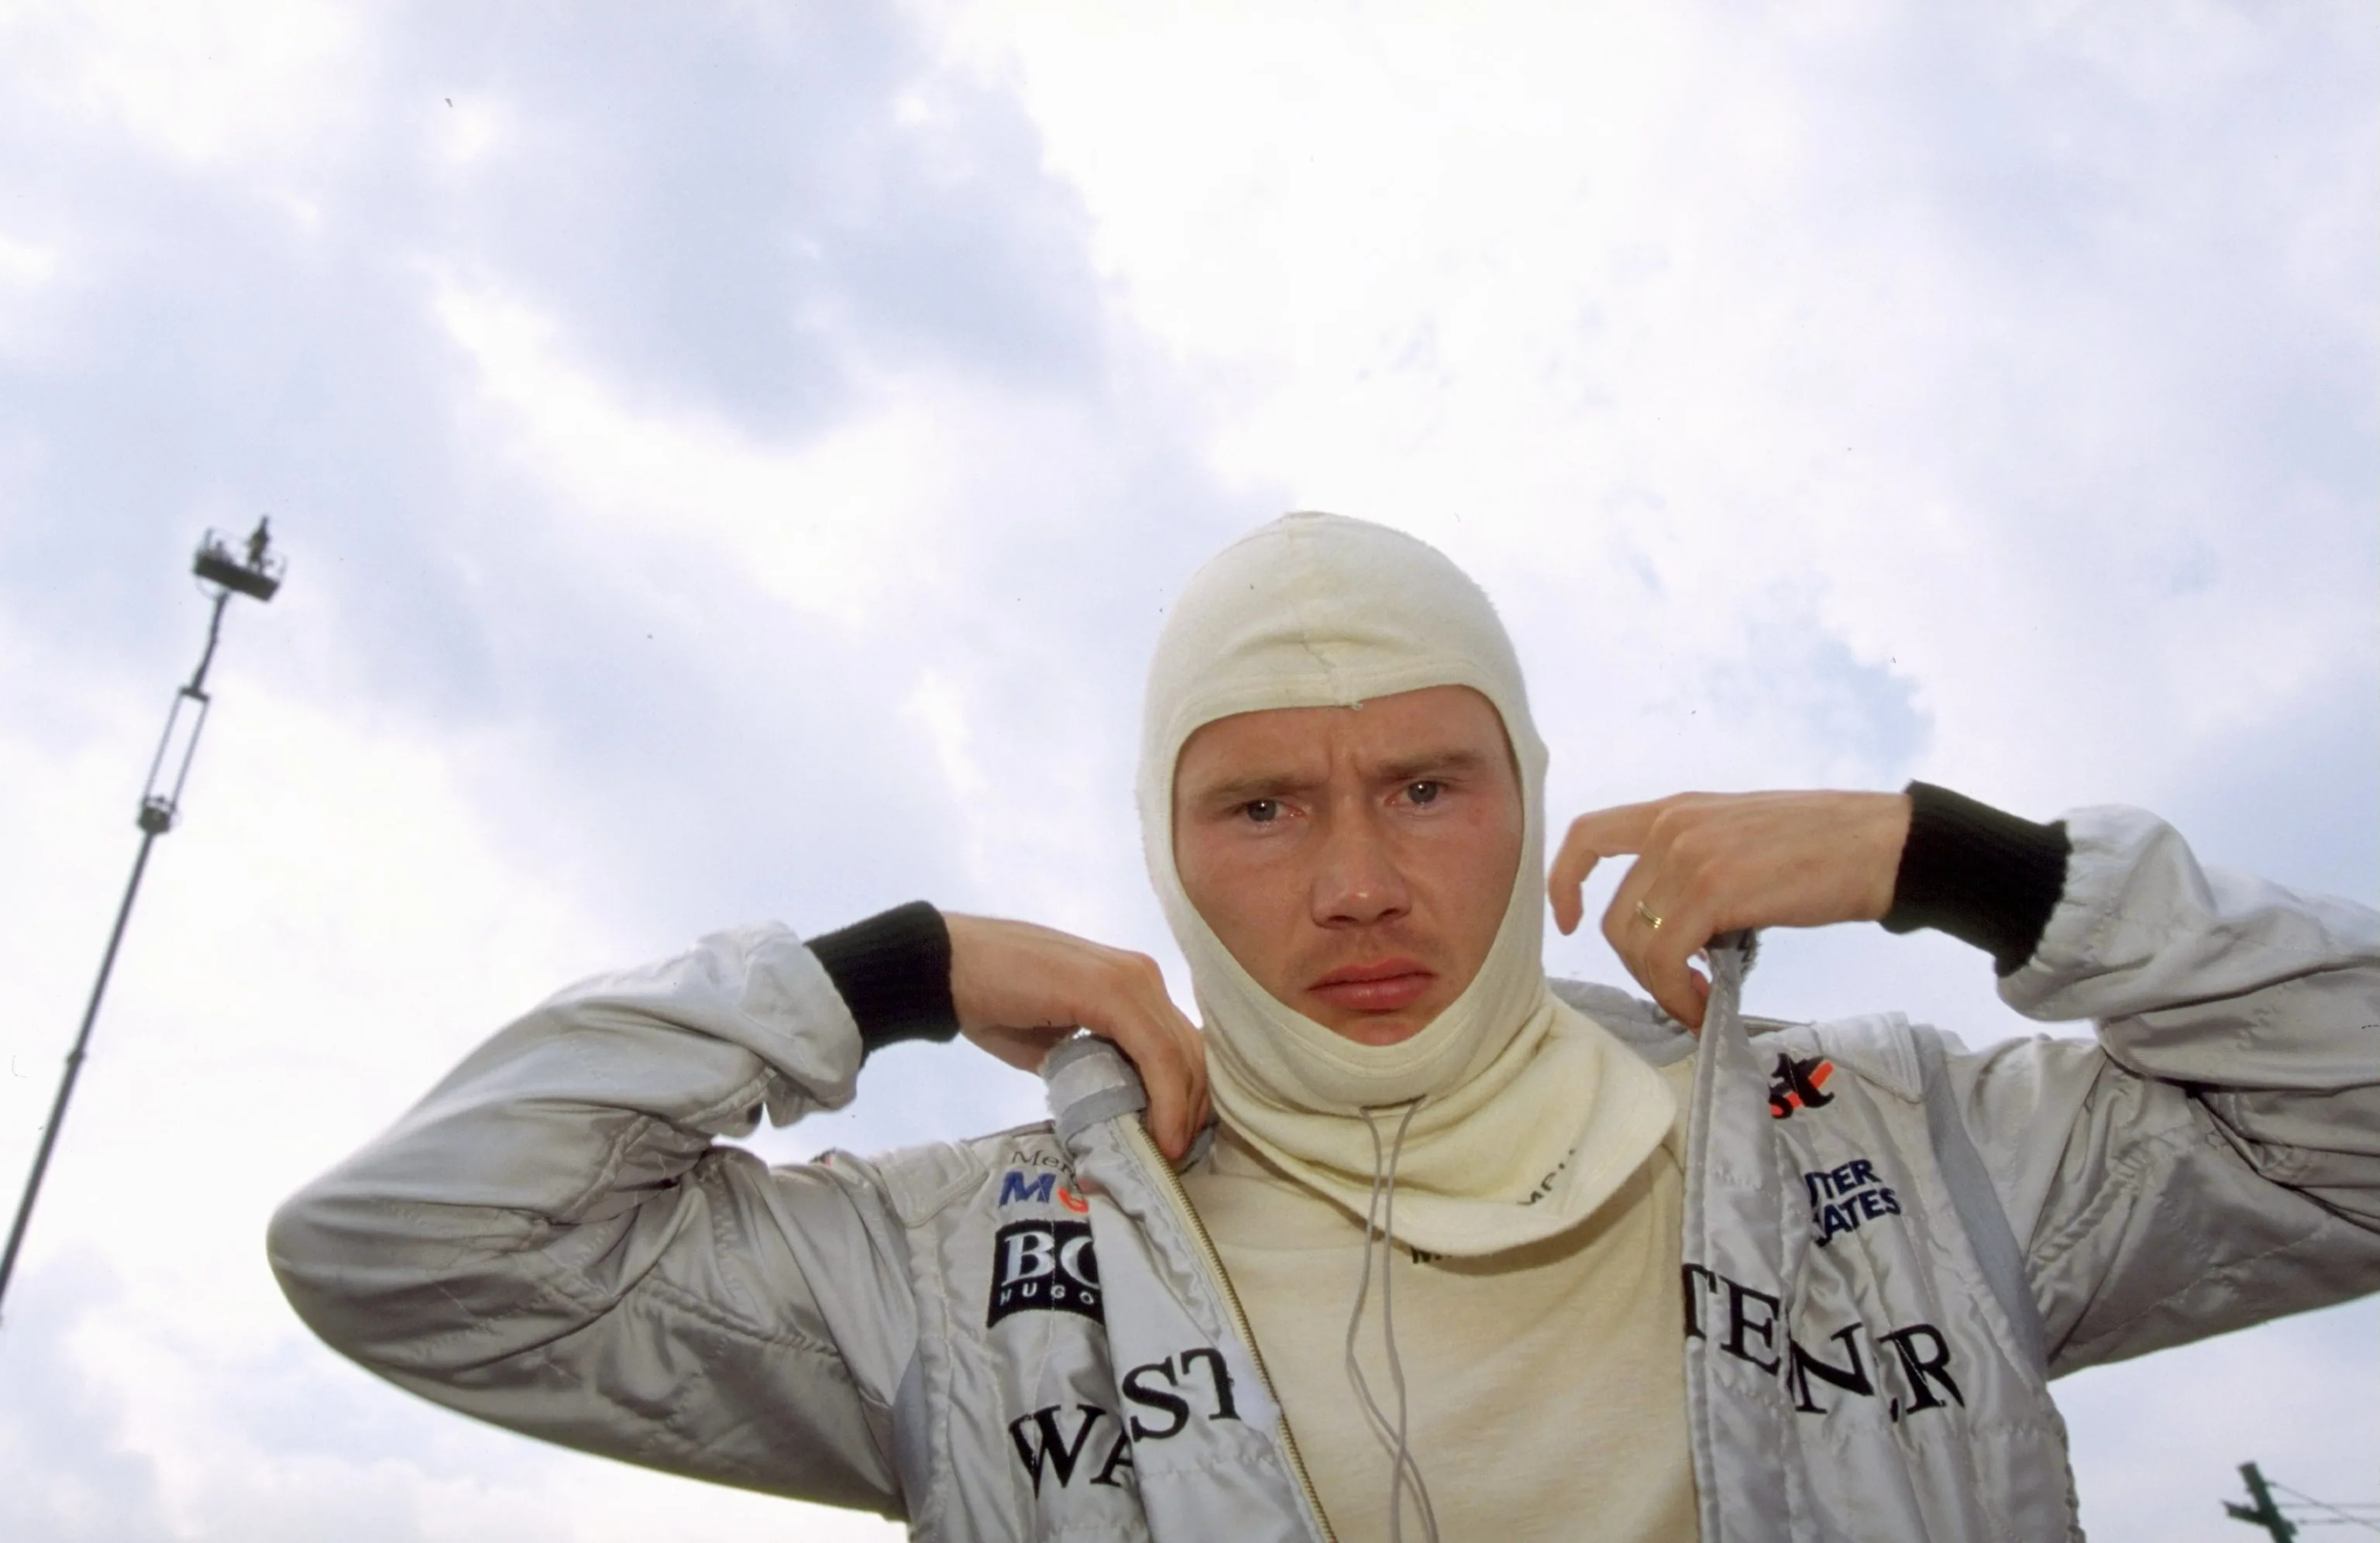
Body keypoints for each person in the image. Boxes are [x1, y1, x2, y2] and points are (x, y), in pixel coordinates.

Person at [270, 512, 2380, 1541]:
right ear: (1165, 842)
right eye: (1261, 804)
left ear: (1529, 795)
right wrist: (870, 978)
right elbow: (410, 1252)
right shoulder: (985, 1265)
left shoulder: (1895, 1146)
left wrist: (1971, 863)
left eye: (1428, 788)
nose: (1358, 883)